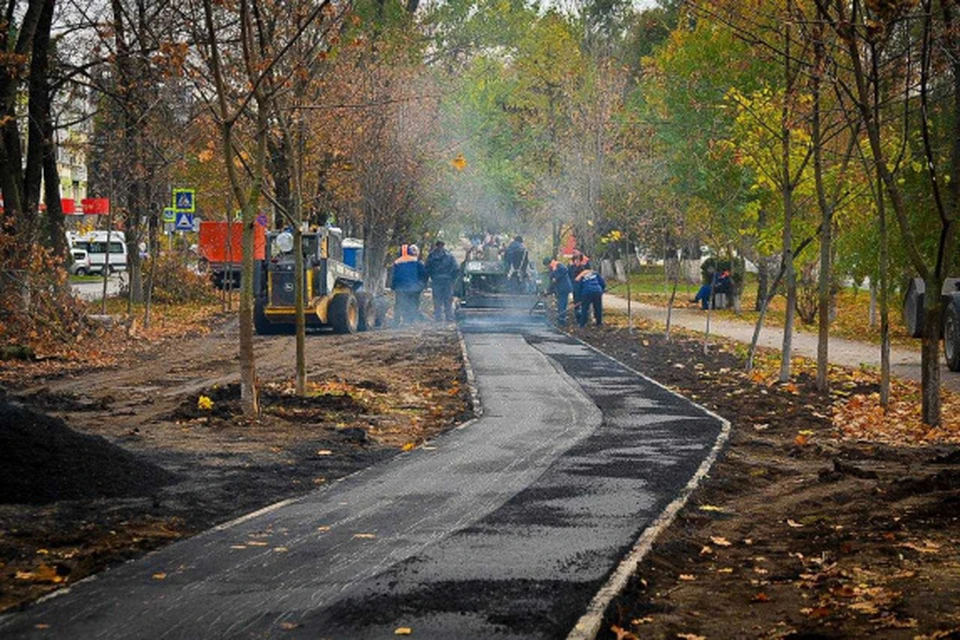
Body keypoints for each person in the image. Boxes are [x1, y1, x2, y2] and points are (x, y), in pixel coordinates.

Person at [391, 244, 427, 326]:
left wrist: (393, 286)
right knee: (412, 304)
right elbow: (423, 274)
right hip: (414, 288)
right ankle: (409, 321)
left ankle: (396, 321)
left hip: (400, 287)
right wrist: (422, 285)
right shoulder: (416, 262)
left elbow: (394, 275)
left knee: (399, 304)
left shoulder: (397, 262)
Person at [425, 240, 460, 322]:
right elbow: (456, 269)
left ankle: (438, 318)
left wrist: (431, 276)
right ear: (443, 246)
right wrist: (452, 278)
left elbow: (427, 268)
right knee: (448, 300)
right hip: (447, 281)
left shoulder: (431, 256)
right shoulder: (449, 256)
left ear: (436, 246)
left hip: (436, 280)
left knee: (437, 300)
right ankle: (449, 317)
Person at [543, 256, 573, 326]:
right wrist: (548, 291)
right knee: (560, 305)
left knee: (562, 304)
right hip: (559, 289)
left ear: (550, 263)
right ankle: (561, 320)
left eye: (547, 265)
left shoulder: (558, 265)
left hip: (564, 288)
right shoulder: (551, 269)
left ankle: (562, 321)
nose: (547, 267)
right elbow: (552, 283)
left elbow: (565, 270)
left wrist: (556, 277)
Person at [569, 249, 591, 318]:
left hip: (583, 284)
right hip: (575, 285)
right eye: (573, 252)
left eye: (575, 252)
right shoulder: (571, 262)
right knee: (576, 300)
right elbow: (569, 273)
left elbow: (588, 271)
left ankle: (585, 315)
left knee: (584, 300)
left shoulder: (585, 261)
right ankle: (577, 316)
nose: (574, 253)